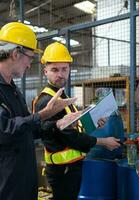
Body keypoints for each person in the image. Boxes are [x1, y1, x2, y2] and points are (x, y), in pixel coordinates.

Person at [0, 22, 77, 200]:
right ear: (16, 54)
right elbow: (4, 131)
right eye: (30, 58)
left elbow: (27, 129)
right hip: (4, 174)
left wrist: (57, 124)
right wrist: (44, 114)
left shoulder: (12, 88)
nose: (29, 64)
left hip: (24, 170)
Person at [33, 42, 121, 200]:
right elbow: (69, 136)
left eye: (64, 69)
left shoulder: (63, 96)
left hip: (71, 167)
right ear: (45, 71)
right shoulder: (48, 100)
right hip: (62, 170)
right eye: (55, 69)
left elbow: (75, 128)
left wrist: (94, 123)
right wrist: (103, 141)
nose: (60, 74)